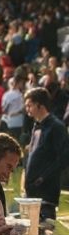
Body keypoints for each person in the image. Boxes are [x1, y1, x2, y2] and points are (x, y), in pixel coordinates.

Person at [23, 87, 69, 225]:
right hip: (31, 192)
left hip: (46, 194)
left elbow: (64, 158)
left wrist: (43, 177)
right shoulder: (36, 126)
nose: (27, 109)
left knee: (44, 233)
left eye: (29, 105)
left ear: (40, 105)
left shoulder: (56, 127)